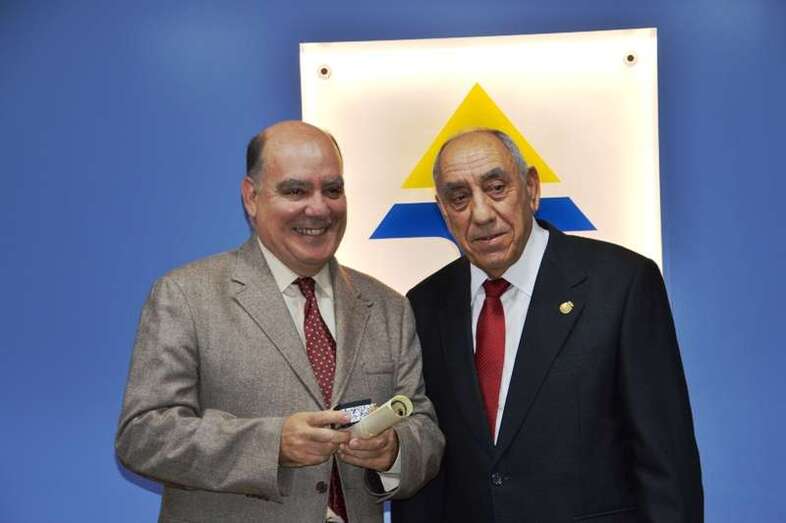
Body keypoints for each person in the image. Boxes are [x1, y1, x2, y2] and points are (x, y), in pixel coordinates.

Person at [116, 121, 444, 523]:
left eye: (332, 190)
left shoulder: (388, 306)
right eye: (295, 191)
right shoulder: (185, 296)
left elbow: (423, 427)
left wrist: (394, 451)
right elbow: (143, 436)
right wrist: (273, 444)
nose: (319, 208)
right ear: (251, 197)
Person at [392, 129, 702, 522]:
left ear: (532, 189)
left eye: (496, 188)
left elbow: (667, 467)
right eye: (459, 198)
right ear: (443, 211)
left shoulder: (621, 284)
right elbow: (427, 474)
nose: (481, 214)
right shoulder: (423, 305)